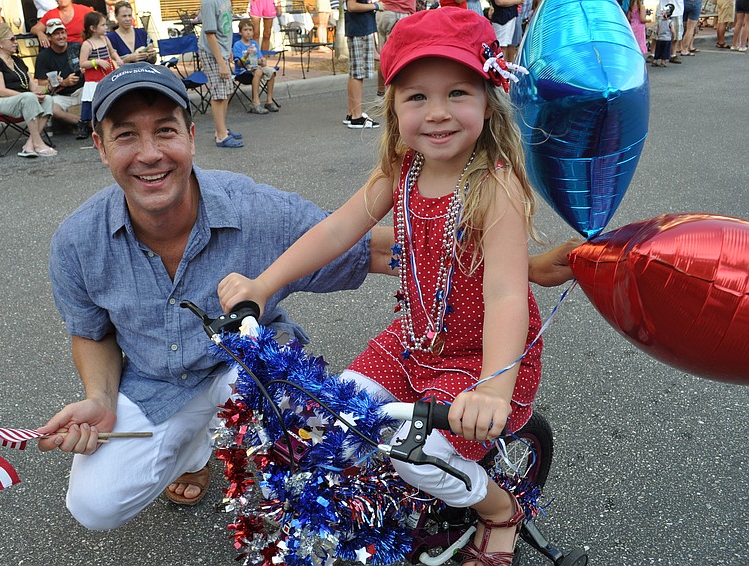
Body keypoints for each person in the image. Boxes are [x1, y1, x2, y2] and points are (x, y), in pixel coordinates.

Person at [37, 61, 578, 532]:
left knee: (359, 440)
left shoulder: (257, 209)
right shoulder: (78, 240)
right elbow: (89, 332)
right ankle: (194, 451)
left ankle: (498, 511)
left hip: (433, 357)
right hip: (165, 383)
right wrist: (100, 399)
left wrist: (516, 282)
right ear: (100, 146)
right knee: (94, 505)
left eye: (165, 131)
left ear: (192, 136)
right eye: (126, 136)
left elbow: (392, 251)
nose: (150, 154)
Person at [217, 8, 549, 565]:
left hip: (481, 355)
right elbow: (336, 230)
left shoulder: (496, 187)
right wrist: (263, 284)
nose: (437, 112)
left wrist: (493, 389)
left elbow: (507, 295)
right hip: (415, 338)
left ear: (489, 100)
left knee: (414, 455)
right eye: (417, 96)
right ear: (393, 106)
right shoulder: (402, 169)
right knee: (338, 415)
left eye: (458, 92)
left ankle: (500, 510)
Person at [0, 25, 57, 157]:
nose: (16, 42)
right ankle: (38, 144)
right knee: (29, 97)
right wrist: (28, 95)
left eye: (15, 39)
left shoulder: (17, 60)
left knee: (48, 99)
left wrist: (50, 86)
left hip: (21, 99)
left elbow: (34, 88)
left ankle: (30, 144)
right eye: (12, 39)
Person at [199, 0, 244, 147]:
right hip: (211, 53)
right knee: (219, 94)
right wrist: (221, 63)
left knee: (228, 91)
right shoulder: (209, 2)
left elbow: (225, 28)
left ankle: (221, 129)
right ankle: (221, 136)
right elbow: (210, 35)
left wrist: (228, 49)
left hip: (222, 51)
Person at [34, 18, 85, 135]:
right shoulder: (43, 57)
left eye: (63, 32)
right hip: (60, 95)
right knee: (51, 108)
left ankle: (82, 124)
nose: (61, 36)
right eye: (56, 34)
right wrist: (63, 83)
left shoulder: (78, 48)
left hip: (82, 90)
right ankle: (84, 124)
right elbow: (42, 86)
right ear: (49, 37)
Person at [77, 11, 122, 141]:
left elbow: (112, 51)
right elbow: (82, 63)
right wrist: (96, 62)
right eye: (102, 25)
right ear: (93, 28)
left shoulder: (105, 39)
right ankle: (95, 131)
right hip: (94, 78)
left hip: (107, 74)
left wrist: (118, 59)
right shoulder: (87, 44)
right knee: (94, 105)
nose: (106, 27)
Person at [343, 0, 380, 128]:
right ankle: (356, 117)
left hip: (359, 28)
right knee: (358, 74)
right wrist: (376, 6)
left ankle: (352, 113)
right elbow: (352, 6)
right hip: (360, 30)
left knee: (354, 73)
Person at [233, 19, 279, 114]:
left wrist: (262, 60)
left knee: (271, 71)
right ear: (240, 32)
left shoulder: (254, 43)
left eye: (250, 30)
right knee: (258, 71)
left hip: (256, 67)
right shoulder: (237, 45)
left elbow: (260, 59)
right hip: (243, 71)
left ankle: (269, 101)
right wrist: (246, 55)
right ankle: (255, 102)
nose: (248, 32)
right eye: (245, 30)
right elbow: (239, 64)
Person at [375, 0, 414, 97]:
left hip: (384, 12)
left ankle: (381, 93)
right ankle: (393, 97)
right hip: (400, 12)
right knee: (399, 57)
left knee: (383, 55)